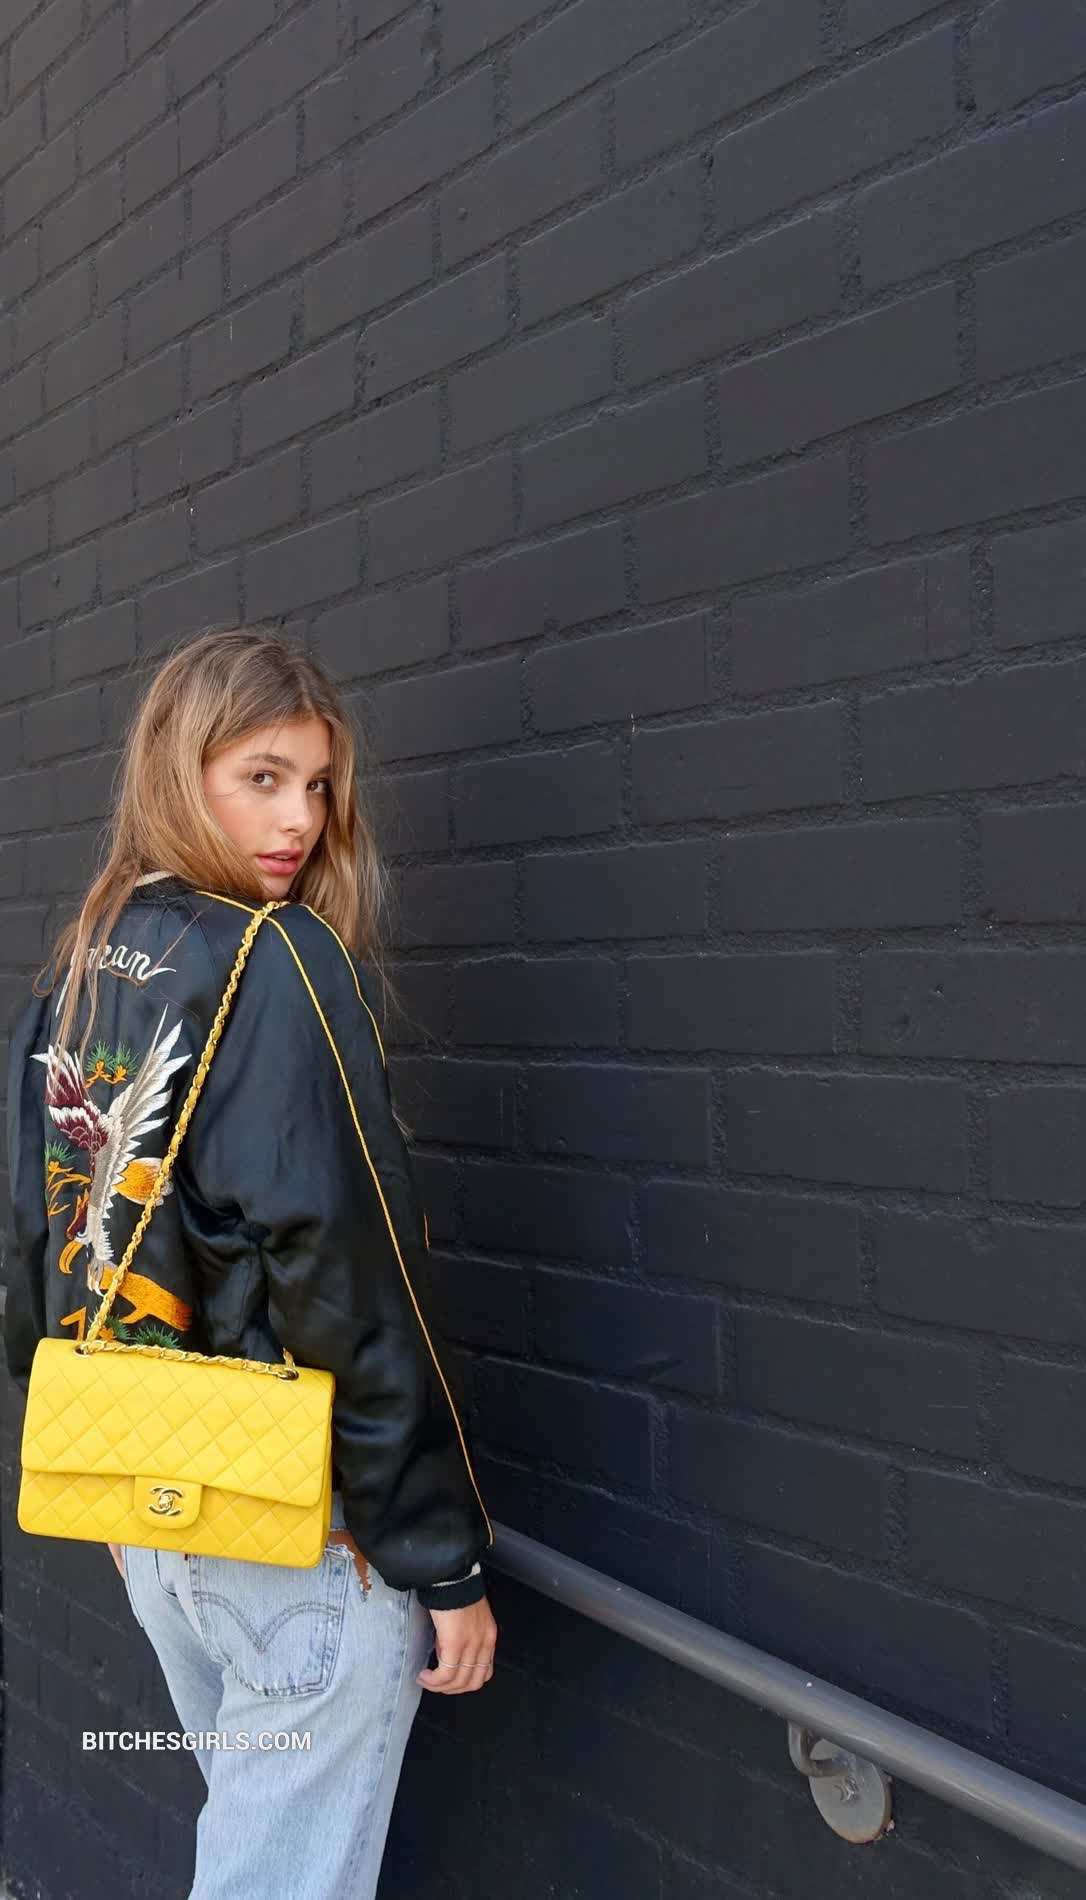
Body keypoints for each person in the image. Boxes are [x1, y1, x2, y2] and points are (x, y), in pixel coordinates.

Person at [2, 627, 498, 1899]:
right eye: (262, 778)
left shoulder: (80, 962)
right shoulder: (273, 955)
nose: (300, 821)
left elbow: (33, 1243)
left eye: (317, 784)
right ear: (183, 772)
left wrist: (115, 1477)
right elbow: (350, 1275)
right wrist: (438, 1556)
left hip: (155, 1514)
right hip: (298, 1534)